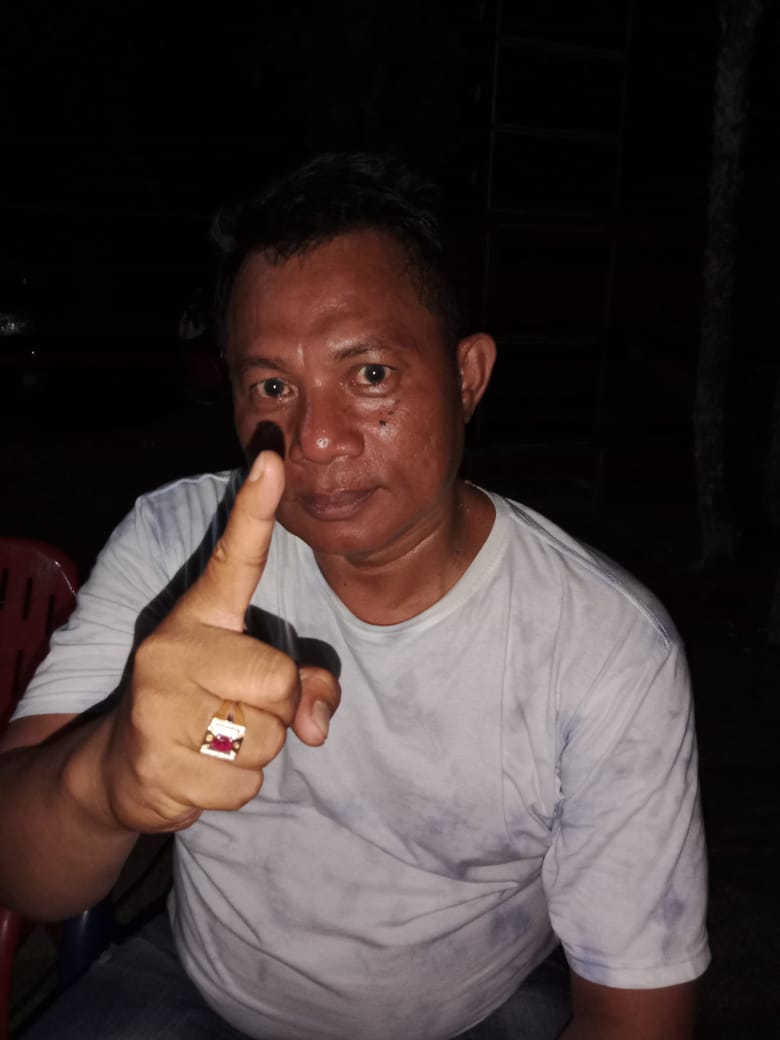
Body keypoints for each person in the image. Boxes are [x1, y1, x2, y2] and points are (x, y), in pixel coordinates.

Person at [0, 153, 709, 1039]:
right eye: (273, 387)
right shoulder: (178, 545)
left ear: (467, 377)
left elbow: (633, 1013)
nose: (316, 439)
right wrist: (102, 778)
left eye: (370, 374)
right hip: (199, 987)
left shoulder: (605, 646)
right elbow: (21, 868)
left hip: (470, 1011)